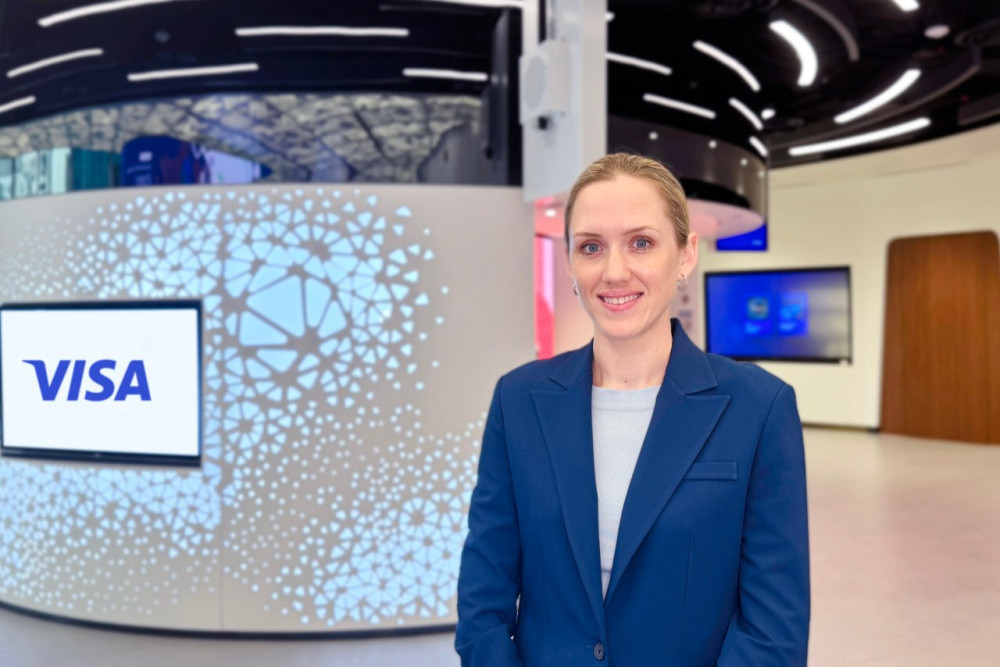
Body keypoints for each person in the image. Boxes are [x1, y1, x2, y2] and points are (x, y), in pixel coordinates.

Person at [455, 153, 810, 666]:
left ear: (686, 254)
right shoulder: (518, 400)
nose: (614, 271)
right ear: (570, 261)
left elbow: (774, 628)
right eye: (591, 247)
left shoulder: (759, 407)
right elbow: (483, 591)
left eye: (641, 242)